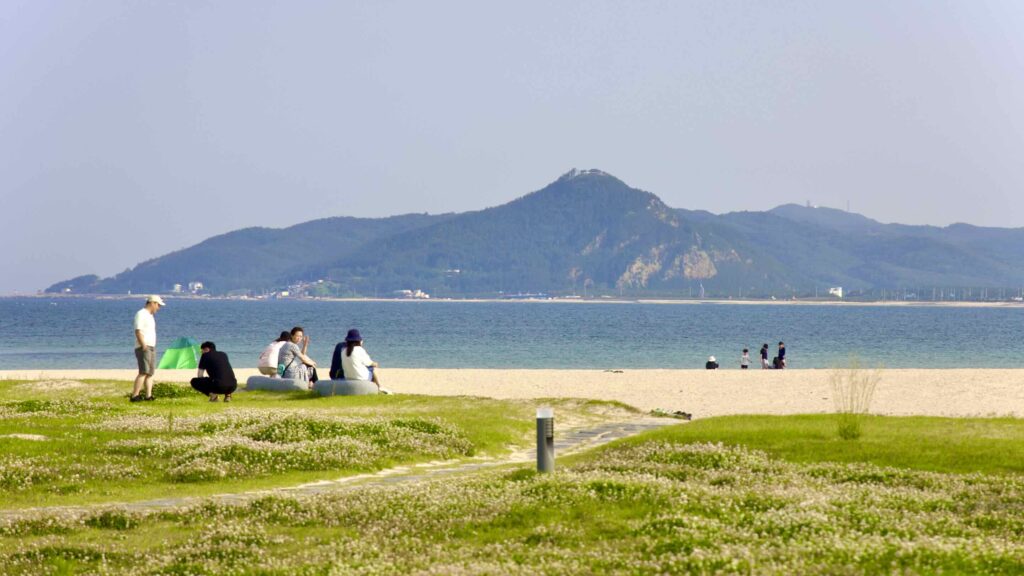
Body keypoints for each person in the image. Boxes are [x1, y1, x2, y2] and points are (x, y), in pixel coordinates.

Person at [131, 295, 164, 402]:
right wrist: (143, 345)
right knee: (143, 371)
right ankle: (135, 395)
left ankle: (148, 395)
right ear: (152, 303)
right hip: (144, 346)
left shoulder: (150, 316)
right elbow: (138, 330)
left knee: (150, 372)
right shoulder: (141, 314)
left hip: (151, 346)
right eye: (158, 305)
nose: (158, 308)